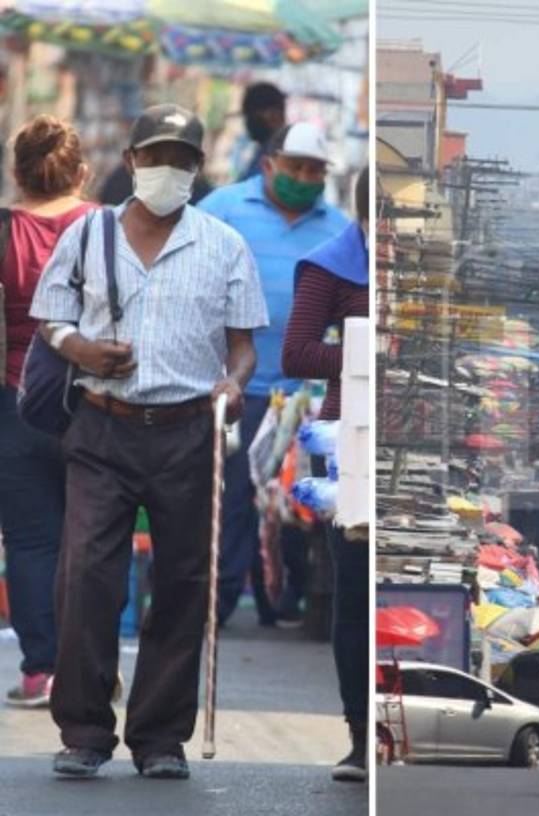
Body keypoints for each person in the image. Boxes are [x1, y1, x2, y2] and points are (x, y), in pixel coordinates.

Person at [30, 104, 268, 778]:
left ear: (198, 168)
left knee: (186, 582)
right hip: (102, 426)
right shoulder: (87, 234)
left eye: (182, 158)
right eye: (157, 156)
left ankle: (160, 738)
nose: (169, 169)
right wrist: (82, 348)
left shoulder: (224, 245)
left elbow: (243, 347)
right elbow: (51, 319)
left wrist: (233, 384)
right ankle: (84, 730)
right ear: (132, 161)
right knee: (86, 576)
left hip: (188, 432)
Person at [199, 122, 350, 628]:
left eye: (314, 170)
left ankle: (287, 601)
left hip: (305, 397)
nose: (304, 178)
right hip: (238, 388)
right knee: (233, 501)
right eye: (295, 167)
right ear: (269, 164)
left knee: (298, 504)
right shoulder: (223, 209)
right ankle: (218, 605)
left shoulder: (338, 228)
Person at [1, 115, 95, 707]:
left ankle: (42, 670)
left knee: (32, 541)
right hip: (96, 401)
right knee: (94, 539)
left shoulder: (4, 230)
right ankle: (89, 667)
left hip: (16, 402)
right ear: (82, 172)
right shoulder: (106, 228)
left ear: (17, 174)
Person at [282, 165, 370, 780]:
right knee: (355, 593)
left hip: (419, 436)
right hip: (350, 442)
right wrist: (368, 354)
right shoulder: (331, 265)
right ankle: (360, 736)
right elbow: (297, 352)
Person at [240, 82, 287, 181]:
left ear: (274, 115)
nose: (248, 124)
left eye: (252, 117)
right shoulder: (265, 149)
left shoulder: (277, 154)